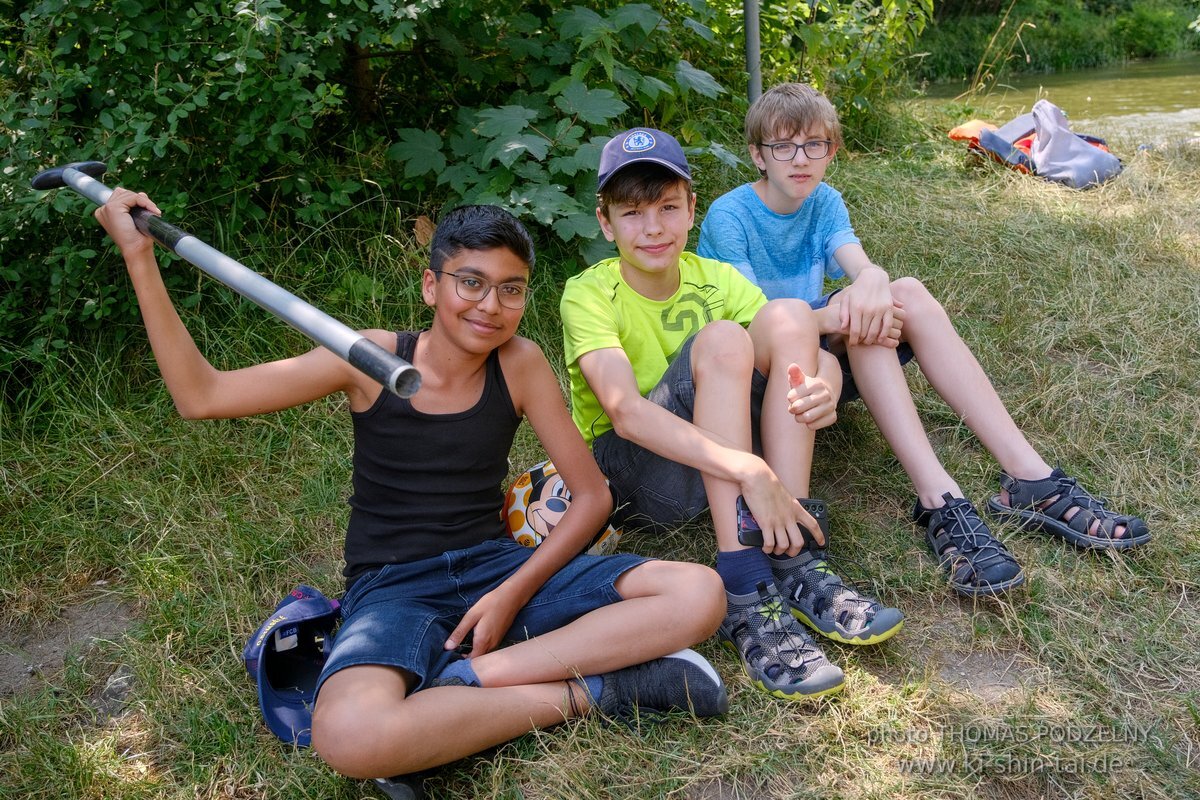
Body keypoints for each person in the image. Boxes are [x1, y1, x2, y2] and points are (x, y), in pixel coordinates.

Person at [95, 191, 730, 798]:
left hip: (497, 567)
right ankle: (598, 693)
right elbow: (201, 396)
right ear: (432, 286)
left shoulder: (520, 363)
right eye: (470, 282)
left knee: (697, 591)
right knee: (347, 738)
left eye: (511, 290)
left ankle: (475, 678)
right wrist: (139, 256)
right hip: (394, 588)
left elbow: (591, 497)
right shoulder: (368, 358)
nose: (490, 305)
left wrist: (508, 595)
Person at [697, 82, 1150, 599]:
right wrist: (842, 314)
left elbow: (860, 266)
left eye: (814, 145)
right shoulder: (730, 215)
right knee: (841, 313)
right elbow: (748, 314)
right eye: (783, 146)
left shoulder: (824, 202)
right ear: (758, 154)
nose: (799, 159)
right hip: (759, 365)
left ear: (832, 151)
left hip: (815, 355)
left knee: (903, 293)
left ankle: (1022, 480)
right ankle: (950, 497)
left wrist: (870, 284)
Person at [560, 127, 906, 703]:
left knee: (790, 314)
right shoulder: (589, 293)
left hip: (718, 454)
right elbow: (624, 413)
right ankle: (744, 580)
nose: (652, 228)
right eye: (632, 213)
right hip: (642, 475)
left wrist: (826, 383)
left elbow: (801, 345)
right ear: (605, 222)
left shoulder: (715, 278)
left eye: (668, 208)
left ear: (692, 209)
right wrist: (748, 468)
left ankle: (792, 548)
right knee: (722, 338)